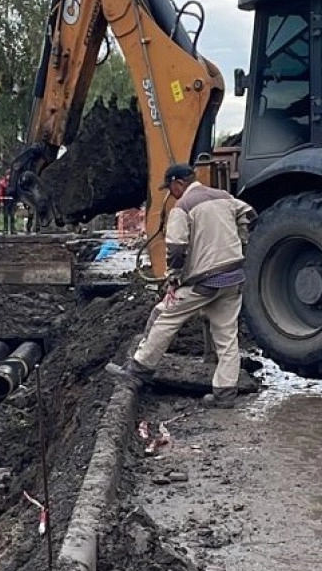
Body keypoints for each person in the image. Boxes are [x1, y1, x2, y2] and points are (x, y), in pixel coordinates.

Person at [106, 163, 256, 407]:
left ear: (178, 183)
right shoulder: (224, 197)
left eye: (171, 188)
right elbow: (250, 214)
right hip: (233, 277)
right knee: (227, 335)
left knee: (165, 316)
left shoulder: (183, 207)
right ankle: (225, 393)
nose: (171, 193)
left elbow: (176, 248)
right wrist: (241, 240)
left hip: (206, 280)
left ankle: (137, 372)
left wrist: (173, 278)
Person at [0, 170, 17, 234]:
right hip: (5, 202)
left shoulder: (13, 182)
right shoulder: (2, 183)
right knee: (5, 215)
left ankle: (12, 229)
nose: (9, 176)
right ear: (6, 175)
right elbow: (0, 193)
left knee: (12, 215)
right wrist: (1, 201)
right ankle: (5, 229)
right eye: (8, 174)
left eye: (10, 174)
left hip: (12, 202)